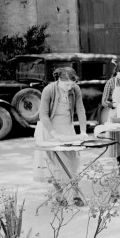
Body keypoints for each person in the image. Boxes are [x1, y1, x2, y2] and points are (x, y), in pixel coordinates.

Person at [32, 67, 89, 206]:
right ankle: (60, 196)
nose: (69, 87)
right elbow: (43, 115)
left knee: (72, 163)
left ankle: (75, 195)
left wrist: (83, 131)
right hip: (49, 129)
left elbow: (80, 110)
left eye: (72, 84)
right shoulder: (49, 90)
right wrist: (54, 133)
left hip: (67, 128)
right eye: (66, 84)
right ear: (58, 80)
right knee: (53, 165)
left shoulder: (75, 90)